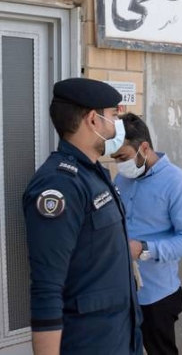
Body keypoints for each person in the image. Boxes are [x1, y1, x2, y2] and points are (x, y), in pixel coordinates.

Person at [22, 78, 143, 355]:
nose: (117, 125)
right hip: (88, 342)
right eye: (113, 116)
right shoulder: (59, 185)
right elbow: (47, 288)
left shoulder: (93, 174)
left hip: (119, 335)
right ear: (93, 120)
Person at [112, 113, 182, 355]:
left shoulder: (179, 184)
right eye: (115, 158)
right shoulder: (122, 178)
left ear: (144, 147)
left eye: (123, 157)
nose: (119, 164)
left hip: (157, 295)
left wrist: (144, 248)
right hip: (122, 290)